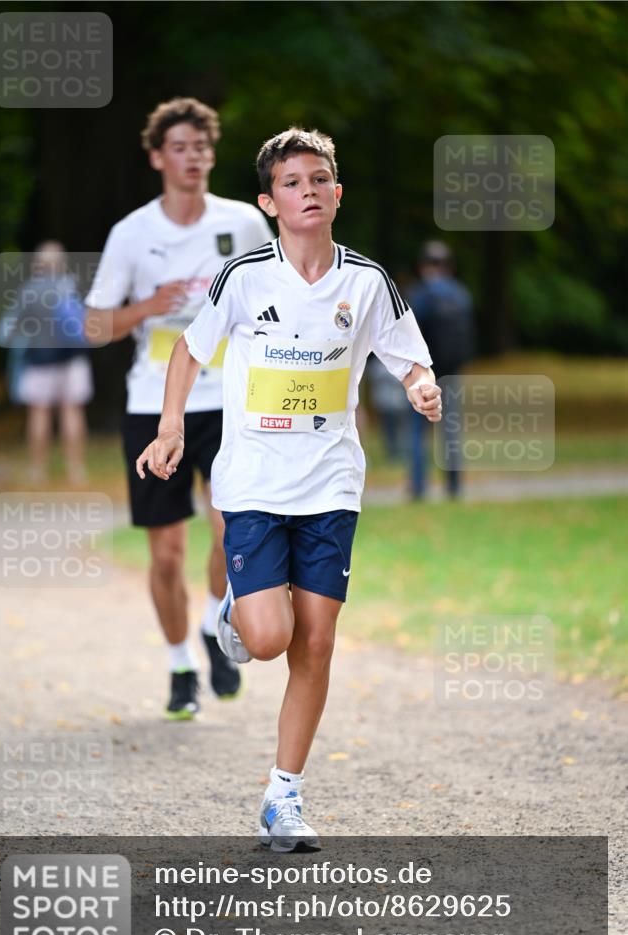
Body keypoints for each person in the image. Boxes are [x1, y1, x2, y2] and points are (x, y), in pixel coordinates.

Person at [136, 127, 441, 851]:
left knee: (318, 643)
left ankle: (283, 796)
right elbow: (187, 348)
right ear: (270, 202)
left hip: (330, 484)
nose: (307, 192)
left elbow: (409, 361)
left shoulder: (365, 281)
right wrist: (172, 426)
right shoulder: (245, 276)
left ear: (337, 193)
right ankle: (237, 615)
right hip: (252, 484)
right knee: (269, 639)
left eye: (318, 180)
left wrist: (424, 388)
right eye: (292, 183)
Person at [84, 97, 273, 721]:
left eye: (203, 147)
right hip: (151, 404)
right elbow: (94, 326)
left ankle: (216, 621)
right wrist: (150, 306)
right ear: (158, 157)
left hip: (230, 400)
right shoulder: (132, 233)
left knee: (228, 530)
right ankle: (179, 665)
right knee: (166, 553)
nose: (194, 157)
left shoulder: (245, 223)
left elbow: (277, 297)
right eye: (182, 148)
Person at [0, 241, 93, 485]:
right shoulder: (73, 287)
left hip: (38, 359)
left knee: (39, 413)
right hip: (73, 359)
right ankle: (76, 469)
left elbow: (5, 331)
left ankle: (38, 470)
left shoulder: (29, 291)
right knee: (72, 412)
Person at [407, 240, 475, 499]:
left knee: (416, 431)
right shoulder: (461, 294)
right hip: (452, 372)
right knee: (451, 429)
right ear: (448, 265)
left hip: (423, 373)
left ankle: (418, 487)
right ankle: (454, 486)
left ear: (423, 265)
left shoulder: (419, 294)